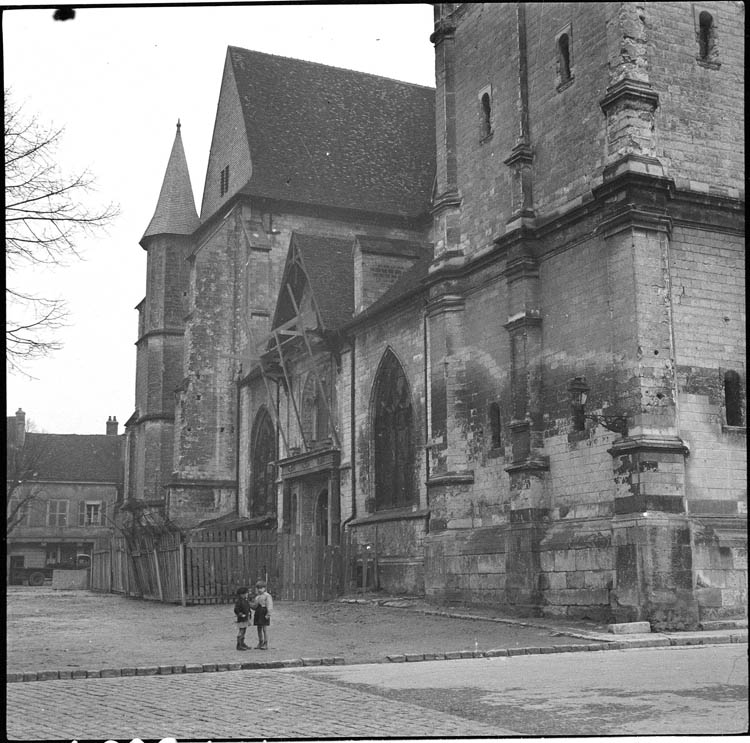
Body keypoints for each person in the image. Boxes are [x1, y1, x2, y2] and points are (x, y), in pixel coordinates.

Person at [253, 579, 273, 649]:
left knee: (264, 629)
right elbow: (255, 606)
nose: (259, 590)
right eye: (258, 588)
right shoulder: (257, 597)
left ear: (264, 588)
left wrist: (268, 614)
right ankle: (260, 642)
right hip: (258, 613)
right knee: (259, 628)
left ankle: (266, 643)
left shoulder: (267, 596)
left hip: (264, 612)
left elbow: (269, 605)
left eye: (261, 588)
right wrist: (249, 605)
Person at [233, 586, 253, 651]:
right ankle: (239, 644)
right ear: (242, 594)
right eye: (246, 593)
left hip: (245, 618)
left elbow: (248, 608)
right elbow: (236, 610)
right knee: (241, 631)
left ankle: (242, 643)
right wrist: (241, 614)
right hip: (242, 618)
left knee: (244, 630)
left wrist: (249, 614)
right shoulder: (239, 601)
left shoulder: (245, 600)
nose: (247, 595)